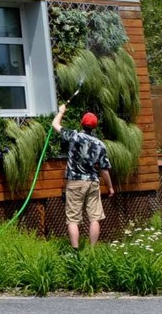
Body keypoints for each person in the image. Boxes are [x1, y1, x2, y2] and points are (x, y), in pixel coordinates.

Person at [51, 103, 114, 250]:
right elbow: (104, 170)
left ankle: (75, 251)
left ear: (82, 123)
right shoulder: (100, 145)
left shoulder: (74, 136)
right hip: (92, 182)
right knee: (94, 218)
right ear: (95, 127)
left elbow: (54, 124)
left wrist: (61, 112)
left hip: (75, 182)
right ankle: (92, 251)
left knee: (73, 219)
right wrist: (110, 187)